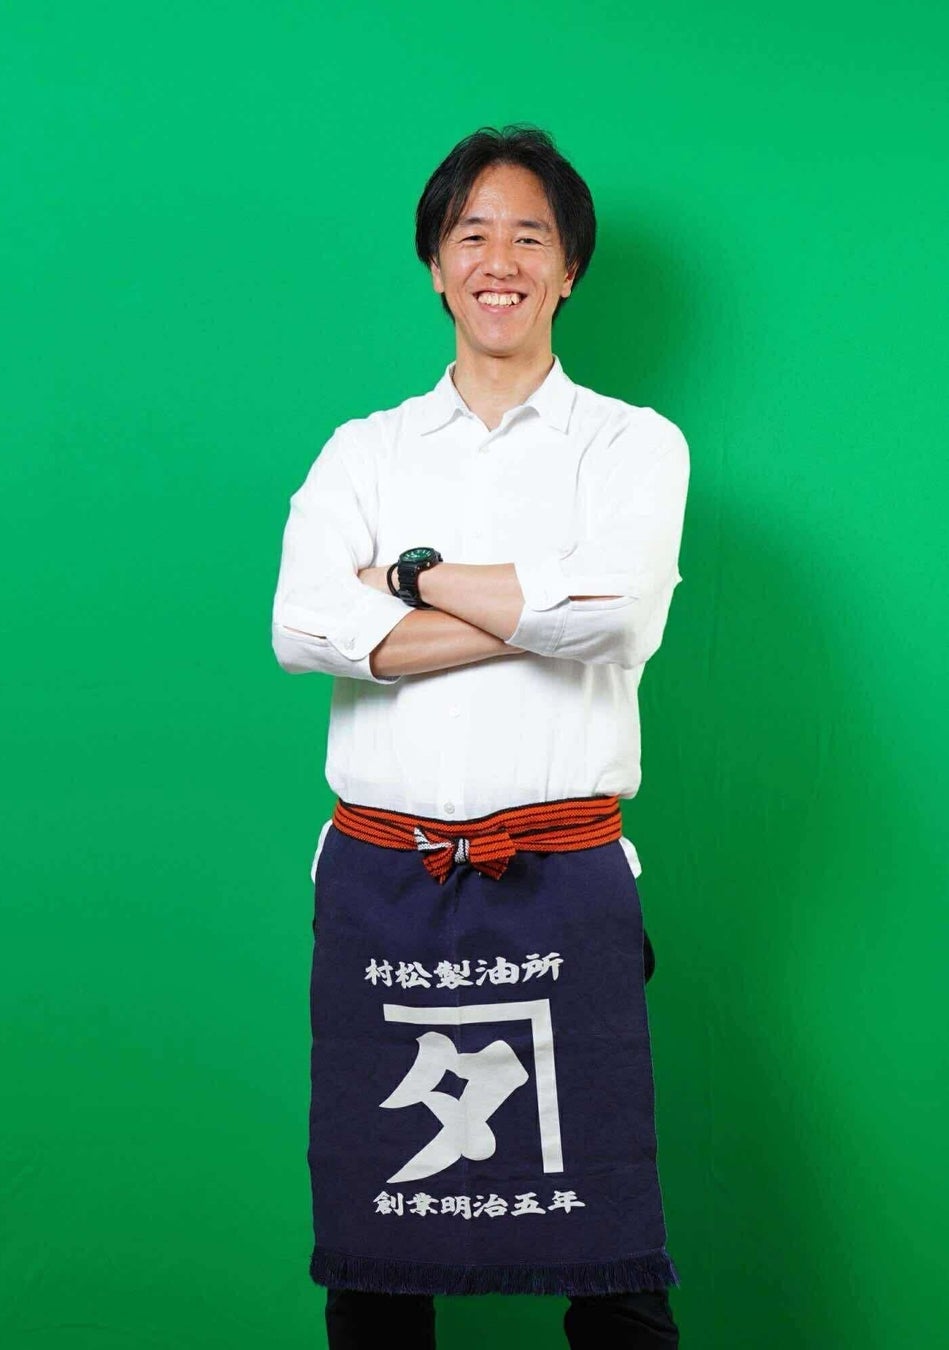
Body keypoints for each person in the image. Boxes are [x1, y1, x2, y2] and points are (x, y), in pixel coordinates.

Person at [271, 123, 690, 1349]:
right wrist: (535, 612)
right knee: (375, 1257)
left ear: (568, 270)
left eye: (528, 237)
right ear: (434, 267)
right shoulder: (364, 451)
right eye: (470, 236)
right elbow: (303, 625)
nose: (497, 261)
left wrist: (407, 582)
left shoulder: (630, 443)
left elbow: (618, 614)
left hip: (562, 878)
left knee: (609, 1259)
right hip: (383, 886)